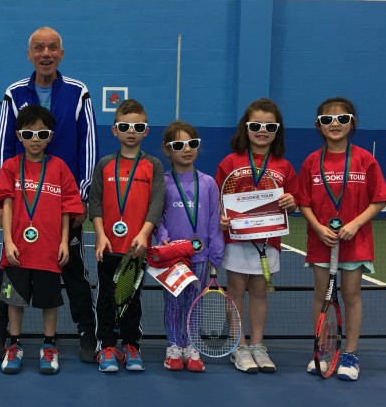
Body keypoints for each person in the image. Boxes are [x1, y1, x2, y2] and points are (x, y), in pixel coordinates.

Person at [0, 26, 99, 362]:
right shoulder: (14, 93)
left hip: (63, 205)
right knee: (11, 269)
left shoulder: (78, 92)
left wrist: (81, 196)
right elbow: (3, 146)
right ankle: (0, 334)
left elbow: (88, 145)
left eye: (52, 47)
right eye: (39, 48)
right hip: (22, 206)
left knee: (73, 272)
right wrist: (1, 198)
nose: (46, 53)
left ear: (61, 54)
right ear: (29, 54)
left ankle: (87, 335)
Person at [297, 97, 386, 381]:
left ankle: (350, 354)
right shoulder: (312, 161)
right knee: (321, 295)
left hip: (355, 241)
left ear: (353, 123)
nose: (334, 124)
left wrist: (355, 224)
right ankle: (323, 349)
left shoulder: (364, 159)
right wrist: (317, 227)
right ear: (319, 125)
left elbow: (380, 199)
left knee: (351, 295)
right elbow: (304, 202)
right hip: (321, 241)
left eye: (342, 118)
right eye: (327, 119)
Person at [0, 105, 82, 375]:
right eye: (29, 133)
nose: (35, 139)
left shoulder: (59, 167)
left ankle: (49, 345)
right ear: (19, 135)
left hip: (49, 250)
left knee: (49, 301)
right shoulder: (11, 167)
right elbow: (6, 206)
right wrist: (8, 241)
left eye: (42, 134)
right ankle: (14, 344)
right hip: (17, 250)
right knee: (14, 300)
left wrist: (64, 242)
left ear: (50, 137)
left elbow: (67, 209)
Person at [215, 98, 297, 374]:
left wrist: (291, 202)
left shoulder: (284, 166)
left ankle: (258, 345)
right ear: (246, 128)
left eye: (269, 126)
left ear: (277, 130)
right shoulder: (230, 162)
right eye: (256, 125)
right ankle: (238, 346)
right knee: (236, 292)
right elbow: (218, 198)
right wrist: (221, 216)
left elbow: (294, 199)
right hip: (237, 240)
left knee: (260, 293)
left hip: (268, 241)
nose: (262, 130)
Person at [89, 99, 165, 373]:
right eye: (124, 126)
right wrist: (100, 235)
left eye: (138, 127)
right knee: (106, 298)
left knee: (132, 300)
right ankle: (107, 346)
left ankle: (131, 344)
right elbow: (95, 202)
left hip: (136, 247)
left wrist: (144, 235)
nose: (131, 131)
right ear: (114, 130)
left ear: (146, 131)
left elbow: (156, 203)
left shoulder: (153, 165)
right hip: (108, 246)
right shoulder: (105, 164)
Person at [153, 121, 224, 372]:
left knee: (195, 303)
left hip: (201, 257)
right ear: (167, 149)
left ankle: (192, 346)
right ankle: (174, 347)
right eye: (179, 145)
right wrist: (163, 237)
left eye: (192, 144)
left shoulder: (208, 183)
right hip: (173, 257)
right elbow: (157, 217)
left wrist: (216, 256)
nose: (187, 149)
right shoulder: (162, 183)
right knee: (173, 303)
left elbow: (214, 221)